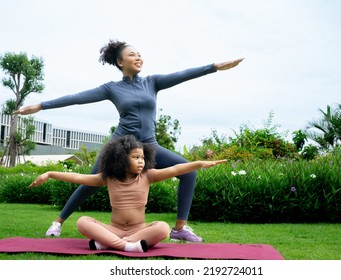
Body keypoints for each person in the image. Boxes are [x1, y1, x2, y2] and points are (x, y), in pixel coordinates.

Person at [15, 39, 243, 242]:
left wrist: (213, 67)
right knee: (91, 183)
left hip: (149, 145)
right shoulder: (111, 88)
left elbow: (182, 75)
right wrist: (40, 106)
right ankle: (58, 222)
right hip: (119, 146)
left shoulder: (152, 82)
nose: (138, 57)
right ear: (119, 62)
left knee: (188, 171)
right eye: (132, 54)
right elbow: (77, 98)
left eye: (140, 54)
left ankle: (179, 229)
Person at [29, 135, 227, 252]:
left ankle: (108, 245)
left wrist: (200, 164)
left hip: (138, 230)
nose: (141, 161)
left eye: (142, 157)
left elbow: (176, 169)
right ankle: (127, 247)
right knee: (83, 221)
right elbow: (78, 178)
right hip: (114, 229)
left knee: (162, 228)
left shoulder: (149, 176)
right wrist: (49, 173)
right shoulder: (108, 177)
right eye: (136, 157)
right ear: (121, 159)